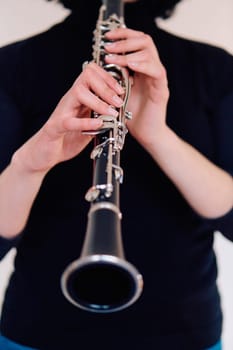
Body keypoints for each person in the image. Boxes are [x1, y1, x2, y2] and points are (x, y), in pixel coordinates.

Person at [0, 0, 232, 349]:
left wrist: (156, 134)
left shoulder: (214, 67)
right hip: (39, 331)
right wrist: (31, 162)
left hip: (183, 333)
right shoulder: (13, 64)